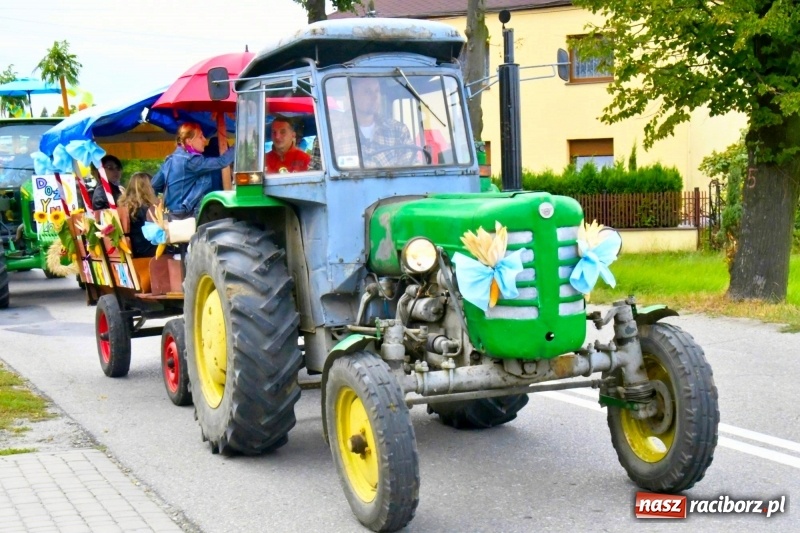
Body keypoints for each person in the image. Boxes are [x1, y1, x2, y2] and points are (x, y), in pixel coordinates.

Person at [312, 77, 417, 170]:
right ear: (351, 95)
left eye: (377, 91)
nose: (375, 97)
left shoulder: (397, 130)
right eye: (367, 92)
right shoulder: (330, 130)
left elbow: (412, 171)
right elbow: (317, 171)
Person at [151, 122, 235, 217]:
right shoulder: (192, 161)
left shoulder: (170, 159)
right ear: (189, 141)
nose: (204, 139)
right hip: (186, 215)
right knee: (208, 173)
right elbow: (222, 162)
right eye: (200, 137)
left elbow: (154, 185)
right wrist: (240, 143)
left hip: (170, 214)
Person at [117, 172, 158, 258]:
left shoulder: (124, 207)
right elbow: (156, 233)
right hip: (148, 251)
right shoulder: (146, 208)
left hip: (134, 250)